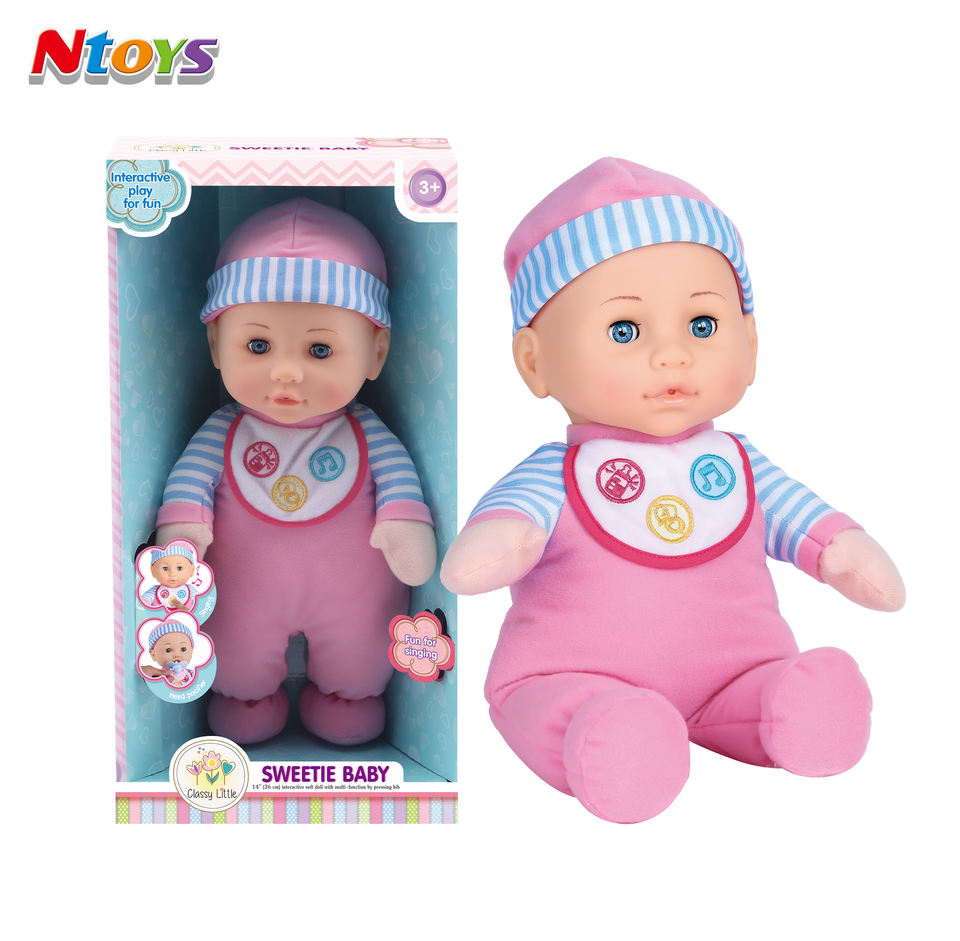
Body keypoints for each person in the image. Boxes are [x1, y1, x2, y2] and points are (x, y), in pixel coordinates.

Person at [441, 158, 905, 823]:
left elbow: (818, 533)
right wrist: (492, 545)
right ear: (534, 362)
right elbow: (506, 535)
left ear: (750, 342)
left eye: (703, 325)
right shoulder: (555, 477)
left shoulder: (740, 466)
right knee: (573, 711)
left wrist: (848, 551)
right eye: (624, 331)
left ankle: (791, 708)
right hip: (569, 677)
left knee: (781, 693)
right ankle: (607, 737)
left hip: (732, 677)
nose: (672, 355)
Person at [155, 199, 436, 745]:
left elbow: (399, 488)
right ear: (215, 345)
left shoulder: (367, 433)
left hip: (354, 588)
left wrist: (405, 527)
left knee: (360, 645)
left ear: (376, 353)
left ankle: (351, 697)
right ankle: (243, 696)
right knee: (236, 643)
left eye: (320, 349)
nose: (286, 371)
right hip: (243, 587)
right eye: (257, 345)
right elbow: (189, 491)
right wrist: (183, 537)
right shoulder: (222, 432)